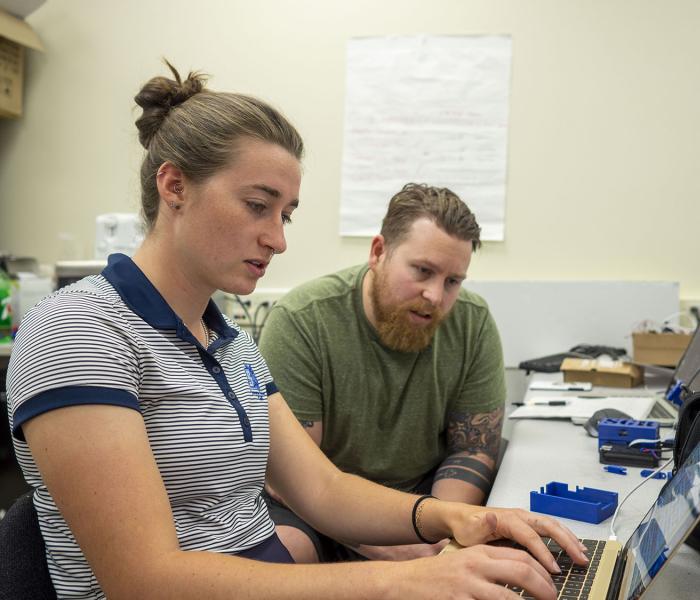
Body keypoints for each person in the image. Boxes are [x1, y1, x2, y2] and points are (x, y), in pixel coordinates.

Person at [6, 62, 588, 600]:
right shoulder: (77, 330)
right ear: (174, 186)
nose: (278, 240)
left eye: (284, 215)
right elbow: (145, 579)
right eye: (258, 205)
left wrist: (457, 519)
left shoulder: (226, 341)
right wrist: (403, 579)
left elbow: (324, 491)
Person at [259, 183, 507, 563]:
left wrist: (440, 533)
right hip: (315, 506)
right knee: (284, 555)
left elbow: (471, 449)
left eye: (452, 281)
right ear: (378, 252)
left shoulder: (472, 323)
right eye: (422, 271)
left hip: (424, 496)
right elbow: (292, 479)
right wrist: (383, 542)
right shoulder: (302, 322)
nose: (435, 296)